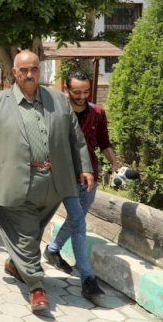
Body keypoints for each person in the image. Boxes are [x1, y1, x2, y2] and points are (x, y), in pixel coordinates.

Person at [0, 50, 93, 313]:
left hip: (53, 182)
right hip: (13, 180)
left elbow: (76, 137)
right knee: (25, 234)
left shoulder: (59, 101)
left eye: (34, 69)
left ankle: (16, 264)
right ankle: (36, 287)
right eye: (23, 70)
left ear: (39, 70)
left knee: (33, 232)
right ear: (14, 73)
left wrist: (85, 167)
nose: (29, 74)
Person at [43, 70, 119, 299]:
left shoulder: (97, 113)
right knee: (79, 224)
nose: (82, 96)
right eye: (77, 92)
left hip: (89, 177)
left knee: (76, 219)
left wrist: (114, 162)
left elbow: (104, 142)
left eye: (86, 91)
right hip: (63, 176)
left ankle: (52, 249)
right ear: (66, 89)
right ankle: (87, 278)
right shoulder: (55, 112)